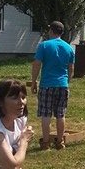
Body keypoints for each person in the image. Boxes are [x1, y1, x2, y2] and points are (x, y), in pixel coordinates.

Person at [31, 21, 75, 150]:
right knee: (61, 114)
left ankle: (45, 142)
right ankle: (60, 142)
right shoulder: (69, 48)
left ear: (51, 31)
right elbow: (71, 68)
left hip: (47, 84)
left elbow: (37, 64)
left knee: (46, 114)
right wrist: (67, 82)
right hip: (62, 84)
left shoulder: (44, 45)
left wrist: (34, 81)